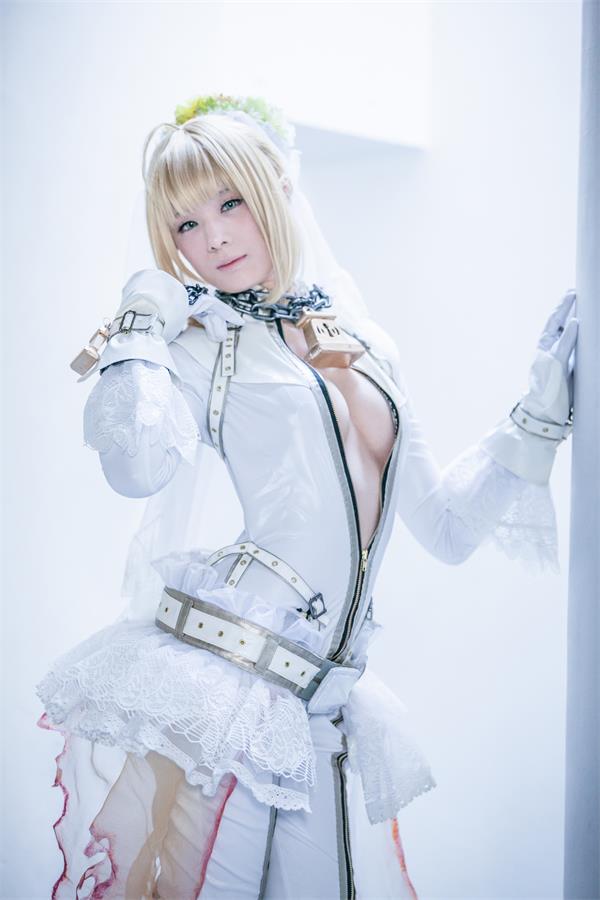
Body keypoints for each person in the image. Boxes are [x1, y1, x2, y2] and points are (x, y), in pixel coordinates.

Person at [35, 94, 578, 900]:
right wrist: (141, 322)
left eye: (230, 203)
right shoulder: (199, 347)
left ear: (279, 189)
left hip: (318, 704)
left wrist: (539, 415)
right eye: (185, 224)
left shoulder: (361, 340)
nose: (213, 238)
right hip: (230, 690)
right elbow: (135, 468)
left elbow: (445, 528)